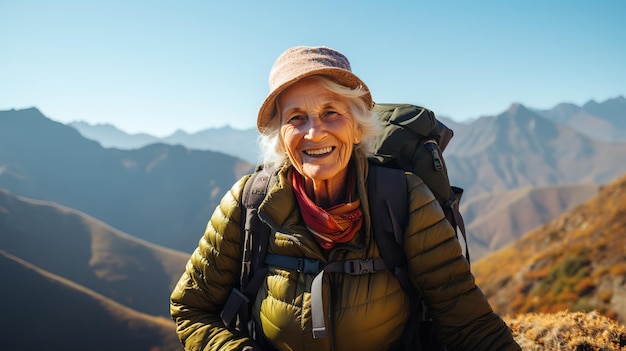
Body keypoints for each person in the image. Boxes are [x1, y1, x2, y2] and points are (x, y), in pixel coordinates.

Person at [170, 45, 521, 351]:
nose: (313, 132)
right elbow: (191, 308)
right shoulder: (249, 204)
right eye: (296, 118)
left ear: (356, 127)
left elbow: (469, 324)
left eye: (330, 113)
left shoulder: (405, 199)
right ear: (280, 136)